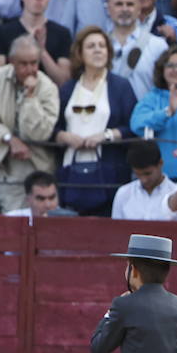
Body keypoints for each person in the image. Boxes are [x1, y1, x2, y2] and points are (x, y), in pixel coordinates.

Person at [53, 26, 136, 216]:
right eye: (91, 46)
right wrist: (65, 136)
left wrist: (105, 136)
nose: (98, 50)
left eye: (102, 46)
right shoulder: (68, 88)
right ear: (80, 54)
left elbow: (133, 127)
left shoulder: (121, 86)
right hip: (71, 172)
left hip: (109, 172)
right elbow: (53, 128)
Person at [0, 34, 60, 212]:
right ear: (12, 61)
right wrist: (9, 139)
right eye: (23, 63)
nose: (30, 69)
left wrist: (30, 98)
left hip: (39, 166)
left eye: (34, 63)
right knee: (13, 220)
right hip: (8, 166)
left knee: (43, 225)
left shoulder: (48, 87)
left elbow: (39, 133)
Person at [130, 46, 177, 181]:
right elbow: (137, 125)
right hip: (159, 179)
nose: (176, 70)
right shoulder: (152, 97)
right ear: (162, 70)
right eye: (170, 65)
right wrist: (167, 112)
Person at [112, 139, 177, 221]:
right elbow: (116, 230)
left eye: (148, 173)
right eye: (138, 174)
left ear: (160, 163)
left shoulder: (176, 193)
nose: (144, 180)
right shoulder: (123, 194)